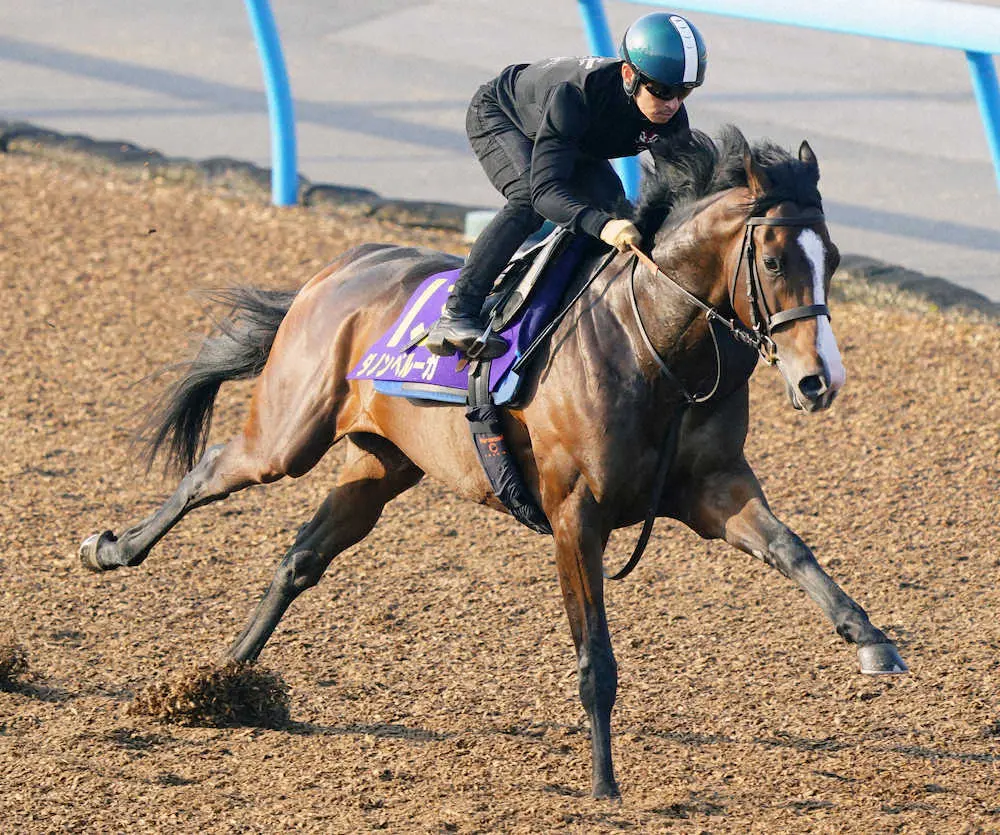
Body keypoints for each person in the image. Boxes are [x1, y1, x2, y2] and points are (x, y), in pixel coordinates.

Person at [425, 11, 708, 360]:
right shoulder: (574, 95)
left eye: (684, 92)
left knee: (620, 212)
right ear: (628, 74)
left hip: (576, 140)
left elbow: (684, 193)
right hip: (504, 118)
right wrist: (603, 226)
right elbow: (546, 192)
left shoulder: (671, 114)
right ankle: (457, 313)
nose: (672, 104)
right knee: (528, 201)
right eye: (662, 90)